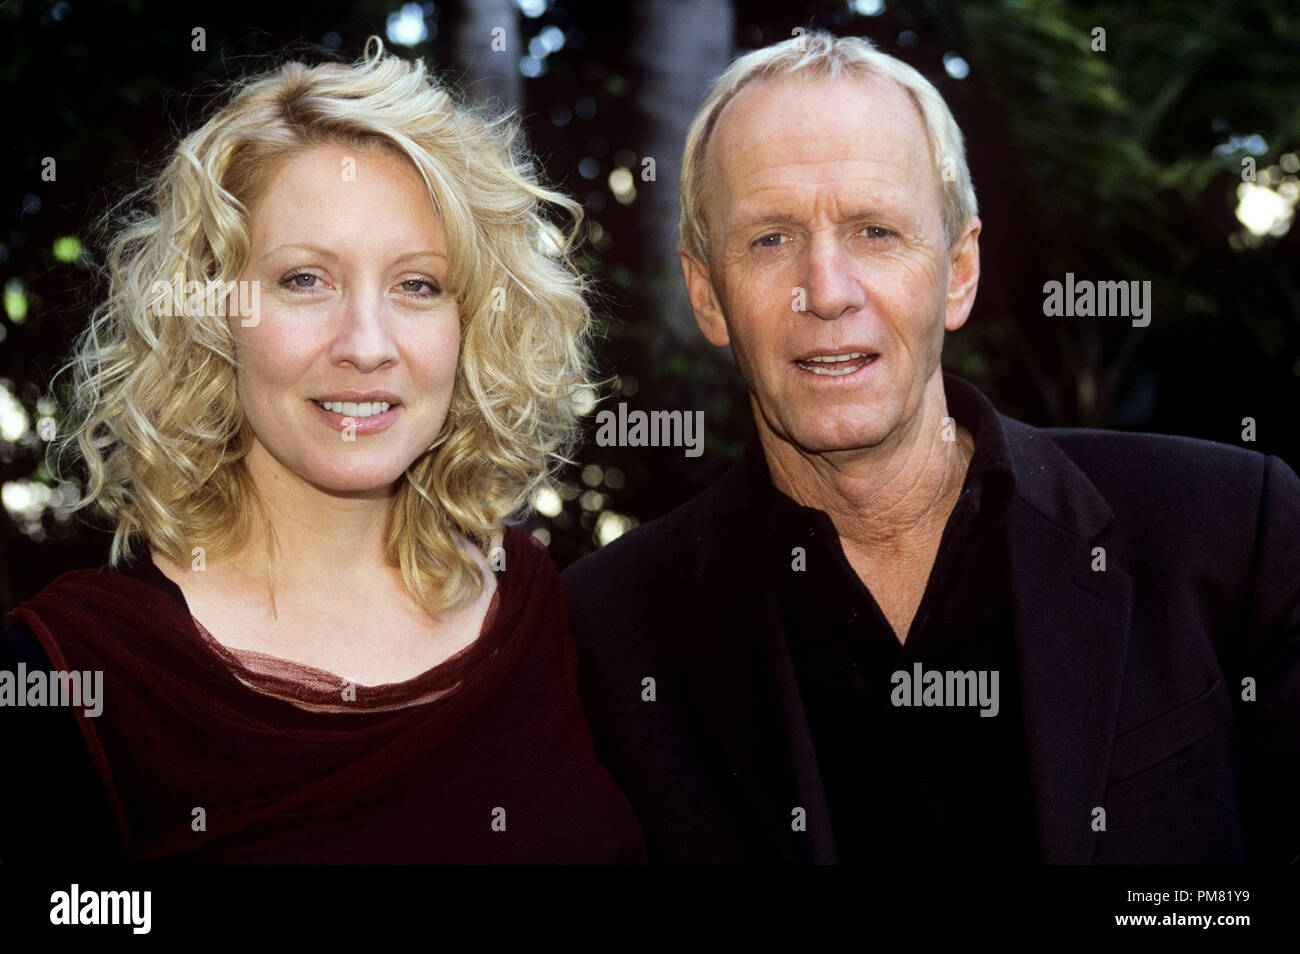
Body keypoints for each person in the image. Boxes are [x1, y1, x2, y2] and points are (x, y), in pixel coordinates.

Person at [561, 32, 1300, 864]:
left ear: (957, 271)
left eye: (875, 231)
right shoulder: (602, 634)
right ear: (707, 295)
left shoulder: (1229, 531)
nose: (828, 291)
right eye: (770, 239)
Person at [1, 39, 645, 864]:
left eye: (418, 284)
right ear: (211, 314)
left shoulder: (533, 607)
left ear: (470, 325)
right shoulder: (68, 677)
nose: (366, 345)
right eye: (305, 280)